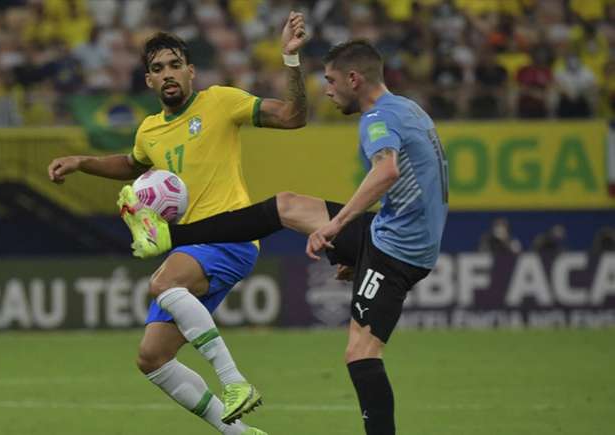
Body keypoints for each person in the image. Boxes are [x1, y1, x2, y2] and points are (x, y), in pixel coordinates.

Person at [121, 40, 449, 435]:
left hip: (396, 251)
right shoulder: (407, 108)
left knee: (361, 355)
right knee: (286, 206)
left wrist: (335, 226)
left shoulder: (376, 118)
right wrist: (352, 247)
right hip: (389, 231)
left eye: (329, 81)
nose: (326, 90)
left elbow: (386, 172)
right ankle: (176, 235)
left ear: (353, 79)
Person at [48, 14, 308, 435]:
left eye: (174, 65)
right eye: (156, 69)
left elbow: (294, 116)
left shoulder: (220, 102)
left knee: (162, 284)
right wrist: (82, 162)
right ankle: (239, 433)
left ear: (190, 71)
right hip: (190, 248)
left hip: (231, 235)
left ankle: (235, 382)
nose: (166, 74)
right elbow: (131, 165)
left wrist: (290, 60)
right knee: (152, 359)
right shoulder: (150, 130)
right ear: (148, 82)